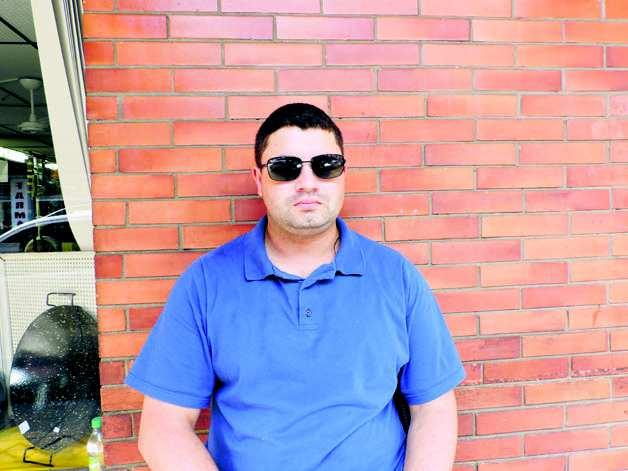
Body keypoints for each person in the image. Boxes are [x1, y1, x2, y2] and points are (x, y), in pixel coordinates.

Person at [126, 103, 465, 471]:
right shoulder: (206, 283)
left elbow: (433, 407)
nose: (308, 182)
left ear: (343, 175)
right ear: (258, 179)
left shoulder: (395, 276)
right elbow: (163, 427)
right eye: (285, 168)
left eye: (326, 165)